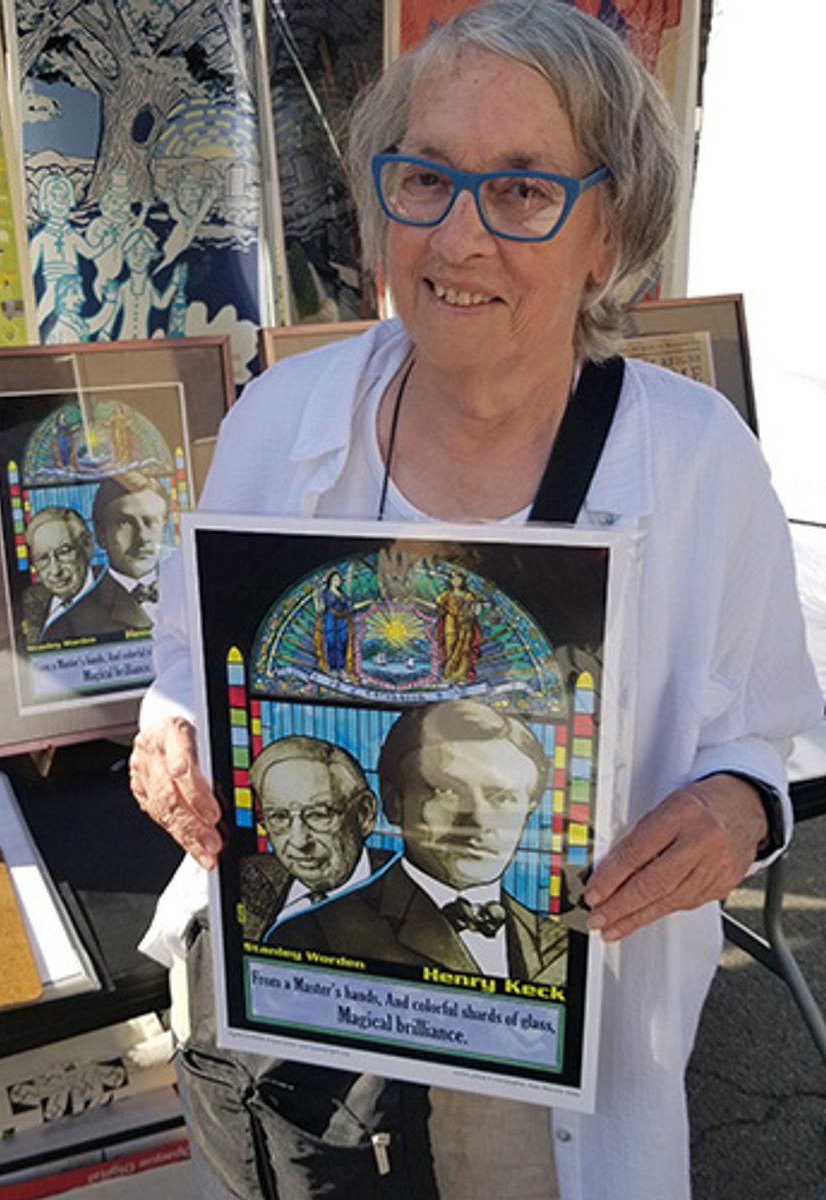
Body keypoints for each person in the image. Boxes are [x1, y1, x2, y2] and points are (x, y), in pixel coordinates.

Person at [127, 2, 822, 1198]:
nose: (458, 237)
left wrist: (733, 812)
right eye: (426, 178)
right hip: (301, 1031)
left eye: (521, 190)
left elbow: (761, 738)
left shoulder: (699, 460)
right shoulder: (284, 422)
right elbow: (190, 655)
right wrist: (168, 733)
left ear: (611, 226)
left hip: (548, 1064)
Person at [269, 701, 568, 984]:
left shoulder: (559, 944)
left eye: (501, 797)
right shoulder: (314, 935)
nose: (478, 820)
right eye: (446, 791)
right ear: (393, 803)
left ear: (528, 810)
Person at [239, 735, 390, 941]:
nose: (299, 842)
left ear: (364, 814)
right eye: (279, 817)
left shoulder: (415, 895)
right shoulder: (247, 878)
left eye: (318, 815)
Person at [47, 472, 169, 641]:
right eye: (125, 523)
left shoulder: (191, 592)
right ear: (101, 535)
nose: (143, 537)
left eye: (151, 522)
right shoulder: (67, 628)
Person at [20, 507, 95, 644]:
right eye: (43, 559)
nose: (55, 571)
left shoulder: (123, 592)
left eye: (64, 552)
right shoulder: (27, 603)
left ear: (87, 546)